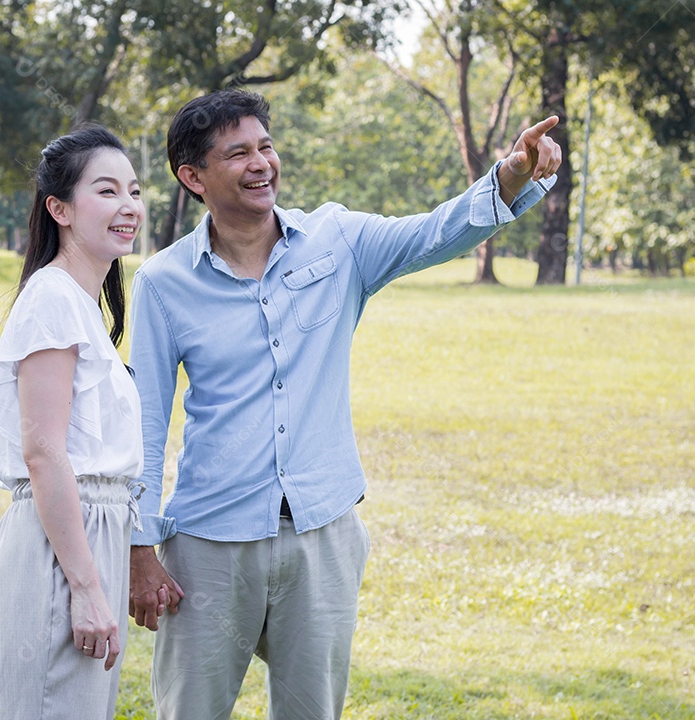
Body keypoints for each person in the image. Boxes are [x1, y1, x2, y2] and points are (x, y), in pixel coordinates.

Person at [127, 89, 562, 719]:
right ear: (192, 176)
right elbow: (144, 418)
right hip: (209, 546)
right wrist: (141, 549)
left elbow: (437, 232)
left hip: (322, 535)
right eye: (238, 153)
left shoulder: (338, 240)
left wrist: (511, 174)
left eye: (266, 147)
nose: (261, 164)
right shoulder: (164, 282)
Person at [0, 124, 165, 720]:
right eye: (107, 191)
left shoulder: (83, 305)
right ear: (58, 208)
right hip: (62, 546)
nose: (129, 207)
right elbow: (43, 455)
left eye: (134, 191)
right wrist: (86, 587)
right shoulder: (52, 299)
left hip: (95, 536)